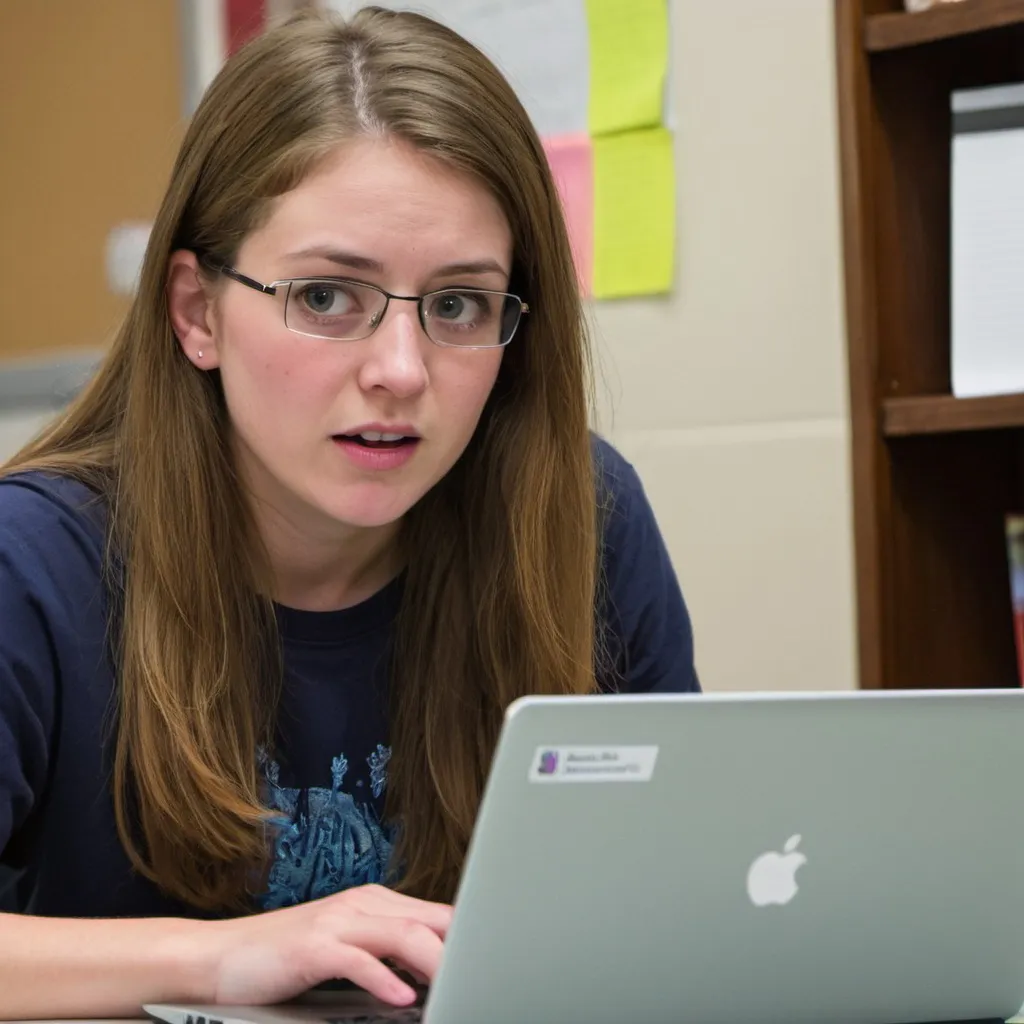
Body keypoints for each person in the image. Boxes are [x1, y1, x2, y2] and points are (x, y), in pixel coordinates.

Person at [0, 6, 699, 1019]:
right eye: (327, 296)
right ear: (196, 312)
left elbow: (681, 887)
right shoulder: (33, 562)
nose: (401, 371)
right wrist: (216, 958)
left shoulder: (579, 517)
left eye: (457, 305)